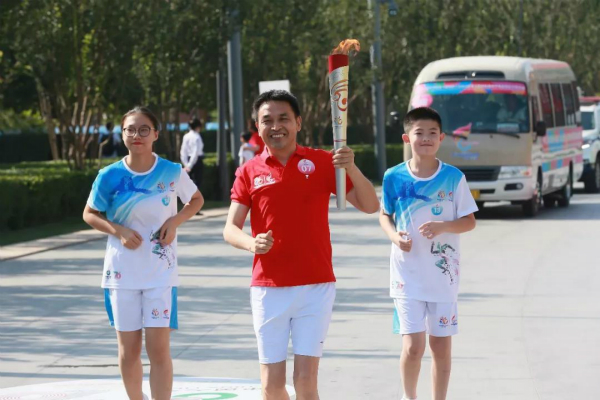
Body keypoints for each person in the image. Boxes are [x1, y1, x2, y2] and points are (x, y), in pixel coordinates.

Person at [223, 90, 379, 400]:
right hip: (268, 287)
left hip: (315, 285)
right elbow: (230, 229)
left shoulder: (321, 162)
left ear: (298, 122)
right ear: (257, 126)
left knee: (306, 381)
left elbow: (370, 205)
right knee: (271, 386)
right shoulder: (249, 171)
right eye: (267, 120)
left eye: (283, 118)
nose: (276, 126)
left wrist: (351, 167)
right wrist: (252, 243)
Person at [83, 106, 204, 400]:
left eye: (143, 129)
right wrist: (118, 230)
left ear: (155, 134)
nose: (137, 135)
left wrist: (175, 221)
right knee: (129, 350)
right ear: (123, 134)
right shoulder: (109, 176)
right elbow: (89, 213)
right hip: (121, 274)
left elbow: (196, 200)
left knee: (158, 350)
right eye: (130, 129)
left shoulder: (171, 171)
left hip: (160, 274)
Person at [379, 107, 477, 400]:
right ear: (406, 138)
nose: (426, 138)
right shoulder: (393, 177)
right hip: (406, 276)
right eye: (419, 132)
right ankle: (409, 397)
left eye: (432, 133)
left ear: (441, 138)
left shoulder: (453, 177)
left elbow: (469, 221)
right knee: (413, 347)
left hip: (442, 277)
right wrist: (394, 236)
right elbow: (384, 215)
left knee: (440, 347)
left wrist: (444, 226)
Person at [180, 117, 205, 191]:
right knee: (196, 183)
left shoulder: (186, 136)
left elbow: (183, 151)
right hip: (196, 161)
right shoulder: (197, 137)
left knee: (189, 184)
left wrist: (186, 164)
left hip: (188, 160)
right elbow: (195, 152)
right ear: (198, 127)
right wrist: (190, 165)